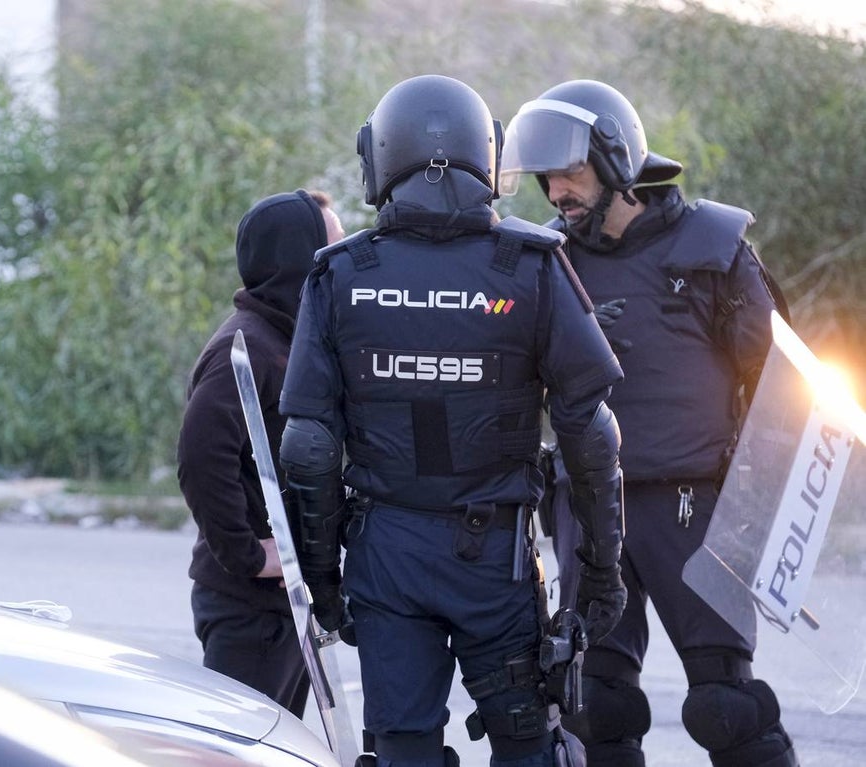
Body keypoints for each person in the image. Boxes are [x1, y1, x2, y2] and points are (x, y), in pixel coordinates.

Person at [278, 74, 628, 767]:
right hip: (491, 561)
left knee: (402, 748)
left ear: (379, 159)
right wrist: (602, 570)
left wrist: (321, 580)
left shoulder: (342, 274)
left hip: (385, 558)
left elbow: (308, 447)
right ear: (487, 158)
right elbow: (591, 433)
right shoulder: (530, 267)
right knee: (529, 748)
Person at [498, 79, 797, 767]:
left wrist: (761, 502)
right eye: (545, 178)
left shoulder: (713, 248)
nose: (556, 193)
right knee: (595, 704)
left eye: (569, 173)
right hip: (585, 503)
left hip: (692, 504)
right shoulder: (546, 259)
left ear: (615, 160)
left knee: (726, 705)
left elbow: (784, 386)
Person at [177, 189, 344, 717]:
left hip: (284, 603)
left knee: (275, 748)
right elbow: (200, 457)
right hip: (249, 609)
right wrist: (249, 555)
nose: (341, 262)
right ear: (300, 260)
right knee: (240, 752)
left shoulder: (288, 339)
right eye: (331, 248)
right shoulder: (244, 349)